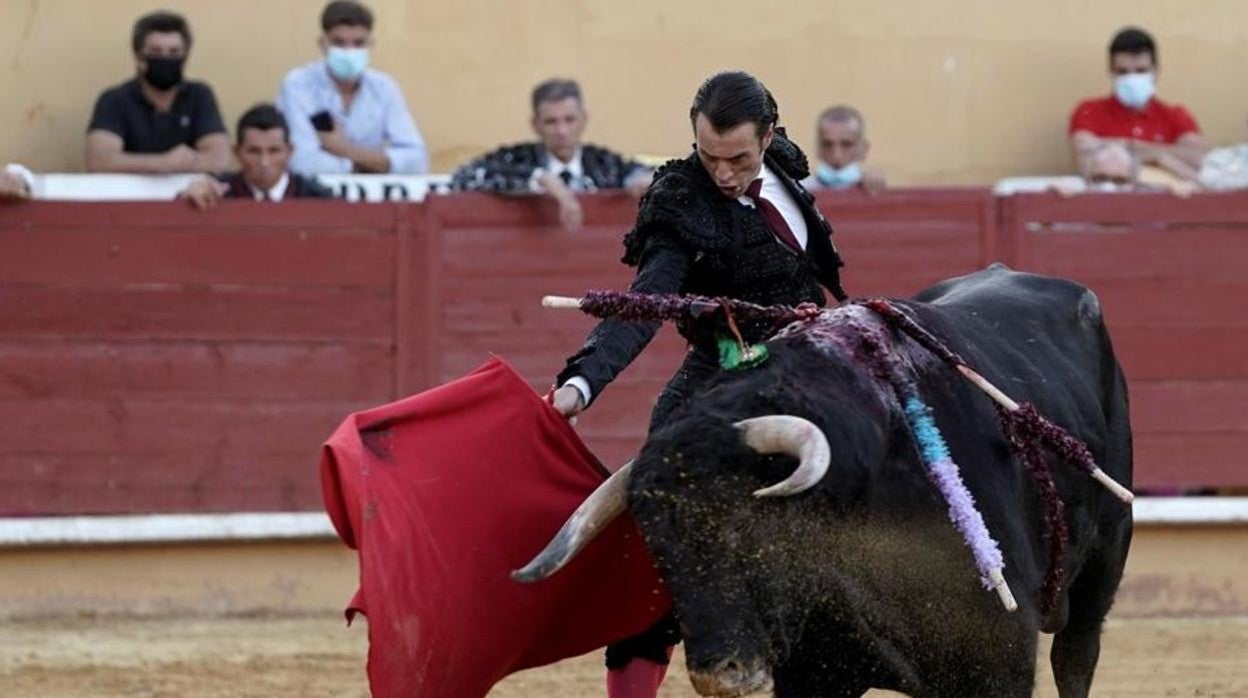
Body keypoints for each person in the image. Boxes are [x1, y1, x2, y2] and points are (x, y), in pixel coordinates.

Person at [549, 71, 848, 698]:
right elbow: (647, 300)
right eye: (709, 156)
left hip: (807, 385)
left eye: (738, 158)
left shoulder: (787, 170)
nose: (724, 173)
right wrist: (582, 383)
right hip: (715, 394)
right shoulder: (681, 199)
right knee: (660, 576)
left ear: (768, 136)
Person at [450, 78, 653, 230]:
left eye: (569, 120)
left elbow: (649, 176)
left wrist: (643, 180)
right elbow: (463, 176)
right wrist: (541, 179)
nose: (562, 131)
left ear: (583, 119)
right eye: (551, 122)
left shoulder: (602, 163)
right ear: (535, 124)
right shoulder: (519, 158)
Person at [276, 0, 427, 175]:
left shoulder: (384, 88)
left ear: (370, 45)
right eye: (339, 43)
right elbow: (301, 162)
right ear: (322, 43)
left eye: (358, 43)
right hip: (315, 195)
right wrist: (372, 165)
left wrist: (343, 149)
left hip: (373, 198)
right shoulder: (298, 85)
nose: (349, 51)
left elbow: (416, 161)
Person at [85, 11, 229, 174]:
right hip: (129, 196)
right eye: (156, 52)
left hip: (188, 196)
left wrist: (133, 163)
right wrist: (164, 163)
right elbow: (98, 161)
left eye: (174, 53)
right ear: (139, 57)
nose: (166, 58)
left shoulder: (200, 95)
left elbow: (219, 160)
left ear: (186, 58)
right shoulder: (114, 99)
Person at [1069, 27, 1207, 182]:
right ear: (1111, 72)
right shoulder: (1089, 111)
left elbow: (1196, 160)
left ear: (1156, 71)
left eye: (1141, 71)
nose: (1132, 78)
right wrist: (1162, 159)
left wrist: (1126, 148)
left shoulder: (1176, 115)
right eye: (1123, 72)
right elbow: (1087, 165)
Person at [178, 104, 335, 210]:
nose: (264, 162)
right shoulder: (216, 192)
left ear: (290, 151)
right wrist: (186, 200)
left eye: (274, 151)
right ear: (237, 152)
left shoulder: (317, 197)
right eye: (254, 151)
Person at [803, 105, 885, 192]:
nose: (836, 155)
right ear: (818, 148)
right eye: (827, 144)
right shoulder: (801, 191)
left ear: (863, 149)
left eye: (846, 144)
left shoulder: (873, 190)